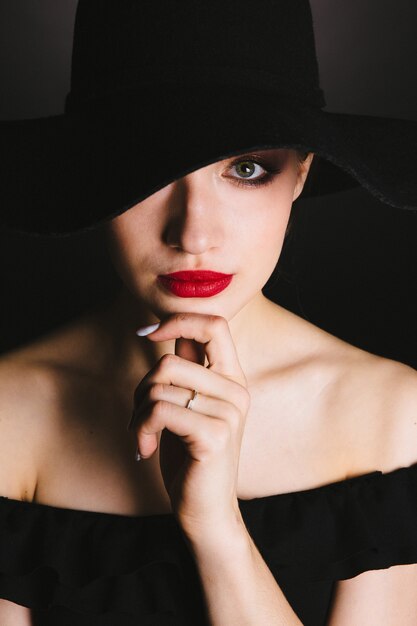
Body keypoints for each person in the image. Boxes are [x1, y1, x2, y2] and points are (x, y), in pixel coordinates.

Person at [0, 1, 417, 624]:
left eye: (246, 169)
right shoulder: (11, 414)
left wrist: (217, 527)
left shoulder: (389, 413)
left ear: (301, 174)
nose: (193, 233)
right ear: (93, 174)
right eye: (149, 169)